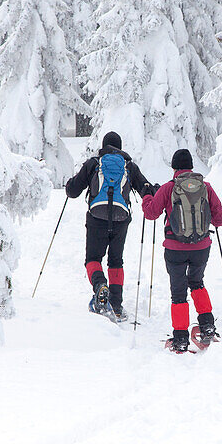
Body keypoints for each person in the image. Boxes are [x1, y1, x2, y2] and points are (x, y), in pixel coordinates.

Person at [142, 149, 222, 353]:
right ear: (191, 166)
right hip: (201, 247)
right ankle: (207, 326)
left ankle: (180, 338)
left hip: (175, 248)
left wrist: (147, 196)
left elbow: (150, 213)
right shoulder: (205, 188)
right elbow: (220, 219)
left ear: (174, 168)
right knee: (197, 282)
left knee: (178, 292)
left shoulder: (169, 188)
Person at [65, 131, 153, 321]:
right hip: (121, 218)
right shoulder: (129, 166)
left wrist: (69, 184)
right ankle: (116, 305)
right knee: (116, 261)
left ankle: (99, 286)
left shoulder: (94, 164)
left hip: (96, 217)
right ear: (120, 147)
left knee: (93, 258)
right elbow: (145, 188)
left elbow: (73, 191)